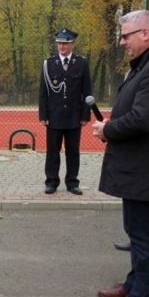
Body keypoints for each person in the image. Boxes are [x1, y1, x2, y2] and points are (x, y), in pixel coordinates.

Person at [93, 10, 149, 297]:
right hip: (141, 167)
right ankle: (133, 285)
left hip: (147, 167)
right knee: (138, 231)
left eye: (126, 36)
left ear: (146, 33)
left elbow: (143, 119)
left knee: (143, 236)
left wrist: (107, 130)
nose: (122, 41)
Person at [38, 29, 92, 195]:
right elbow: (43, 92)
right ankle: (51, 182)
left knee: (73, 151)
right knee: (52, 151)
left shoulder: (81, 63)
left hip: (74, 116)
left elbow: (87, 91)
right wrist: (43, 115)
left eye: (65, 43)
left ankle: (72, 182)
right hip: (54, 115)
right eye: (60, 43)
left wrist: (85, 115)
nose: (62, 46)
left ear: (72, 44)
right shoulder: (49, 63)